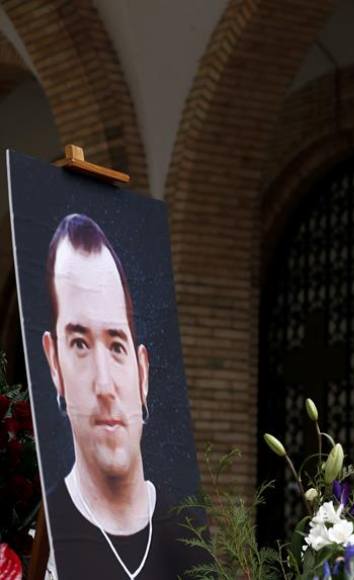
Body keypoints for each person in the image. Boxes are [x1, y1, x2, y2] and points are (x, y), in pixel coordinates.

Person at [41, 214, 206, 579]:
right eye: (80, 344)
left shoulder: (187, 532)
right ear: (55, 364)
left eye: (116, 346)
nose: (104, 385)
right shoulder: (45, 539)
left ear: (142, 372)